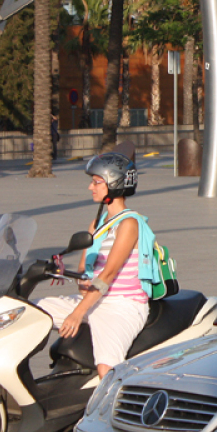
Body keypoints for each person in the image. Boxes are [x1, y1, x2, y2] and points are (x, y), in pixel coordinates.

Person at [38, 154, 151, 379]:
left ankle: (111, 412)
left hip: (122, 305)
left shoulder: (129, 224)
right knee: (29, 313)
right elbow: (84, 270)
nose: (91, 187)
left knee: (106, 368)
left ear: (114, 184)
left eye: (96, 182)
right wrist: (69, 275)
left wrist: (77, 313)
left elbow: (108, 274)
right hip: (94, 299)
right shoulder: (96, 224)